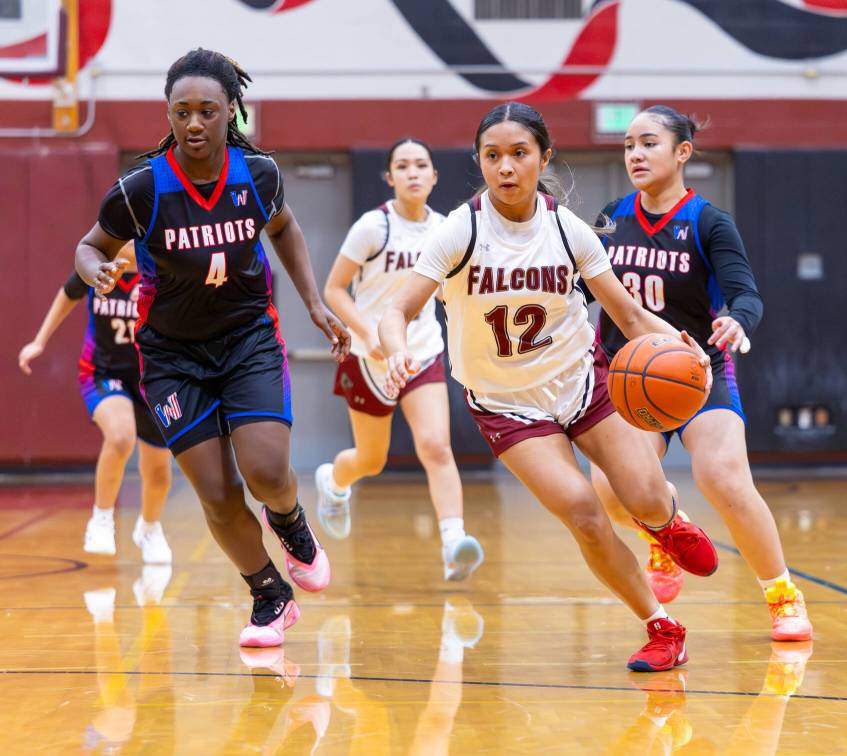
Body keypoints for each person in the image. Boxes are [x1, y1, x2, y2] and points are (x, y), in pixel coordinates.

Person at [379, 102, 719, 673]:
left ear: (543, 158)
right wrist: (393, 351)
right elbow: (398, 309)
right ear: (479, 162)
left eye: (519, 154)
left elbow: (630, 317)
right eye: (493, 156)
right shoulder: (457, 230)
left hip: (585, 384)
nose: (506, 167)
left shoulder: (568, 230)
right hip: (507, 405)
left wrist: (688, 349)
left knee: (645, 495)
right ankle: (663, 627)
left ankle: (666, 522)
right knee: (585, 515)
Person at [74, 48, 349, 647]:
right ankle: (270, 598)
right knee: (217, 492)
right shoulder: (140, 190)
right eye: (181, 112)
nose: (194, 123)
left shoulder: (260, 175)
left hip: (247, 337)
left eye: (207, 110)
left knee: (267, 470)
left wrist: (314, 303)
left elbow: (285, 229)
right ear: (168, 115)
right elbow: (89, 246)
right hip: (171, 357)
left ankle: (292, 524)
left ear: (231, 112)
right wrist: (94, 268)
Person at [589, 105, 812, 642]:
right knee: (611, 493)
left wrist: (736, 319)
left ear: (682, 152)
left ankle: (783, 594)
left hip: (696, 373)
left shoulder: (709, 221)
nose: (635, 155)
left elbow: (745, 293)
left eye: (648, 143)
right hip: (625, 379)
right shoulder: (608, 218)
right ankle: (667, 531)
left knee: (724, 477)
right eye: (628, 146)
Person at [316, 138, 483, 581]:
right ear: (390, 178)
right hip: (368, 355)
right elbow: (333, 289)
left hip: (421, 349)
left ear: (434, 176)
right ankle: (334, 483)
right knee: (371, 460)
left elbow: (452, 293)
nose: (412, 172)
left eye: (421, 165)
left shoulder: (446, 229)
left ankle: (454, 543)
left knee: (435, 446)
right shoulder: (373, 226)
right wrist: (367, 333)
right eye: (403, 166)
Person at [18, 244, 173, 563]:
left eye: (135, 235)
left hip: (152, 376)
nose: (129, 243)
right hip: (102, 371)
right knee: (120, 436)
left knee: (158, 471)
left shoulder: (162, 270)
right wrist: (39, 340)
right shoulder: (98, 266)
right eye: (124, 235)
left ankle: (149, 527)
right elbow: (68, 293)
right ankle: (101, 518)